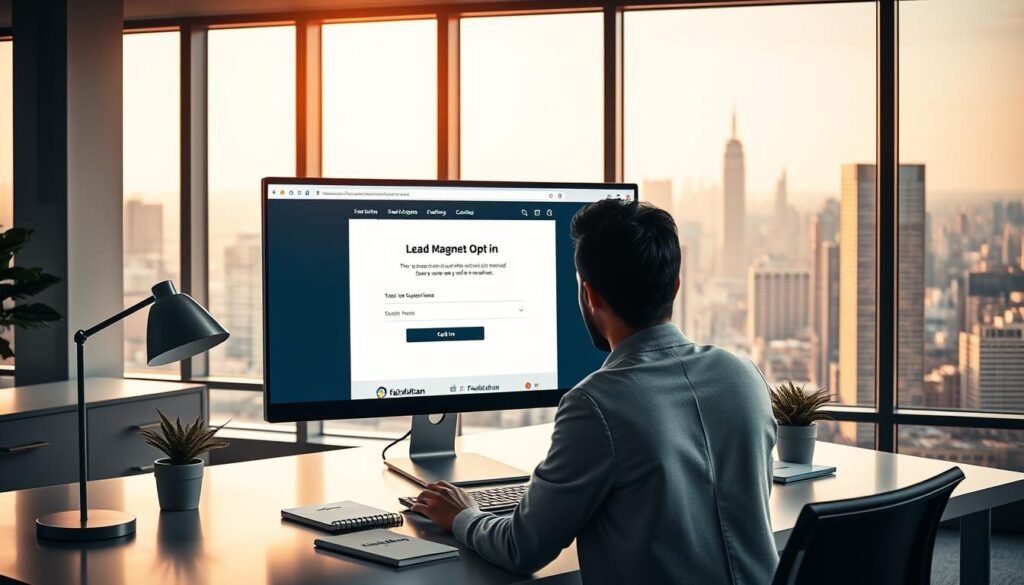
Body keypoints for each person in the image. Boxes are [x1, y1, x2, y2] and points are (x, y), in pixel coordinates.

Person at [411, 200, 779, 584]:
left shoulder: (597, 404)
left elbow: (523, 549)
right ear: (675, 286)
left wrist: (464, 515)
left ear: (590, 295)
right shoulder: (745, 376)